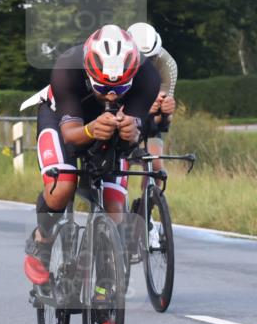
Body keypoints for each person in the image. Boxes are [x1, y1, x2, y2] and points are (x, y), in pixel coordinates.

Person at [24, 24, 161, 293]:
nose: (111, 95)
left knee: (114, 207)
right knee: (62, 186)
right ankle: (42, 241)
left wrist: (133, 131)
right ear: (89, 72)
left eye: (120, 88)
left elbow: (138, 130)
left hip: (107, 127)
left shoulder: (148, 76)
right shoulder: (68, 67)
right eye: (103, 87)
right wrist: (90, 129)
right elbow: (72, 136)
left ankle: (104, 294)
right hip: (62, 120)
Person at [127, 22, 177, 181]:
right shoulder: (118, 60)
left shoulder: (167, 64)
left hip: (149, 121)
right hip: (124, 117)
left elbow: (162, 120)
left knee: (155, 166)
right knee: (119, 164)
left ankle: (148, 199)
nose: (146, 64)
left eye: (151, 58)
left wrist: (163, 110)